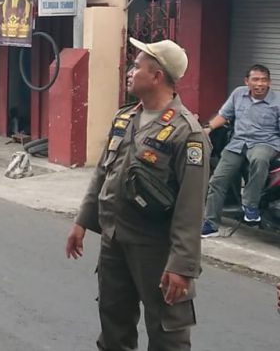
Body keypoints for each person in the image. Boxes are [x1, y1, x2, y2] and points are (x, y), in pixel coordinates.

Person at [66, 38, 209, 350]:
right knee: (113, 322)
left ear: (156, 76)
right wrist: (81, 222)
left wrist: (182, 265)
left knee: (167, 332)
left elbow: (191, 205)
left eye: (136, 66)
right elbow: (103, 173)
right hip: (114, 239)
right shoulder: (125, 118)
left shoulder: (188, 132)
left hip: (155, 247)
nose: (130, 72)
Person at [200, 64, 280, 237]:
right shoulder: (238, 94)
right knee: (218, 180)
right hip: (237, 143)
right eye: (256, 79)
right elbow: (224, 115)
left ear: (269, 82)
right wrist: (207, 129)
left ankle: (251, 205)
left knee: (259, 160)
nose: (260, 84)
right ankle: (210, 223)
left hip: (264, 143)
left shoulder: (277, 101)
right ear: (247, 81)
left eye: (264, 80)